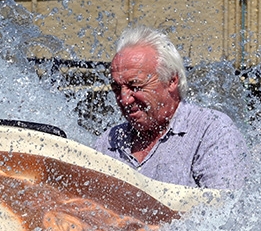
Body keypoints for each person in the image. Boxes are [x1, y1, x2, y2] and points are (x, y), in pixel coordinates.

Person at [94, 25, 247, 189]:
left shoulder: (212, 131)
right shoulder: (107, 143)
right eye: (117, 89)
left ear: (171, 81)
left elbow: (225, 208)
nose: (124, 100)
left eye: (135, 86)